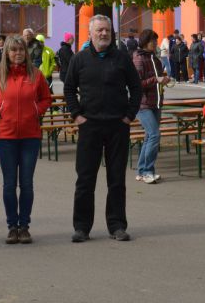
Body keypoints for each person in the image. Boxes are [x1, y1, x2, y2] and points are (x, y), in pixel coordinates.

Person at [63, 15, 141, 243]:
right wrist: (77, 115)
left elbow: (136, 88)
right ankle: (81, 228)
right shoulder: (79, 59)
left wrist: (129, 115)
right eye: (99, 30)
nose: (104, 34)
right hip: (90, 126)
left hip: (118, 126)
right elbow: (69, 89)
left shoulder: (122, 58)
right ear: (90, 33)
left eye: (107, 30)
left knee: (116, 179)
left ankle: (117, 226)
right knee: (85, 179)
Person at [0, 36, 52, 244]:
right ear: (7, 53)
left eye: (21, 50)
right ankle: (12, 227)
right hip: (6, 136)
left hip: (30, 136)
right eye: (13, 50)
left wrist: (37, 110)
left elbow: (46, 98)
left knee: (27, 184)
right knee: (9, 184)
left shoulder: (36, 74)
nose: (18, 53)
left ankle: (24, 227)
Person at [132, 29, 169, 184]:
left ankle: (142, 171)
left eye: (155, 40)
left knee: (149, 136)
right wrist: (156, 80)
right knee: (154, 135)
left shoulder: (155, 59)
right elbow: (136, 84)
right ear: (144, 42)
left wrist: (164, 79)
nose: (154, 43)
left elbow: (157, 78)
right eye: (152, 40)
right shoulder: (139, 59)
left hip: (156, 102)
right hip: (142, 104)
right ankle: (147, 171)